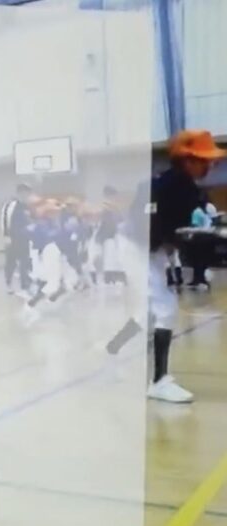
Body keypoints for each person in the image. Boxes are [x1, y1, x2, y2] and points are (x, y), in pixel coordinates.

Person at [106, 129, 225, 403]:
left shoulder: (188, 187)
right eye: (204, 160)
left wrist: (203, 227)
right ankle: (158, 382)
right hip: (136, 248)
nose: (210, 166)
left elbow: (186, 225)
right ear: (187, 160)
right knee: (164, 307)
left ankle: (113, 350)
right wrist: (186, 235)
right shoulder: (163, 186)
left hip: (153, 250)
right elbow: (150, 228)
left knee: (148, 312)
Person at [1, 183, 34, 296]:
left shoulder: (27, 207)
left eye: (28, 193)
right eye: (24, 192)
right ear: (19, 192)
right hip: (13, 239)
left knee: (25, 262)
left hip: (25, 239)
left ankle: (25, 286)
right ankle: (9, 284)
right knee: (11, 262)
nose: (26, 195)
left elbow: (30, 221)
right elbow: (5, 220)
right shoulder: (11, 205)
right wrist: (6, 236)